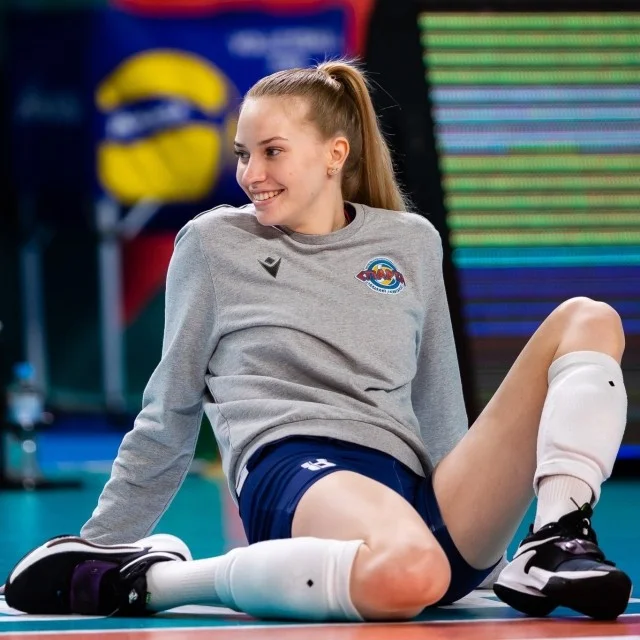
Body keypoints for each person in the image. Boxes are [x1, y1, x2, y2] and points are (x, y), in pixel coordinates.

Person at [4, 59, 632, 622]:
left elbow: (439, 405)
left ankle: (556, 539)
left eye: (272, 152)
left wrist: (474, 532)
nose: (252, 173)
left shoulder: (410, 241)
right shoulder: (214, 244)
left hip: (415, 491)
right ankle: (150, 581)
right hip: (294, 467)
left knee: (589, 318)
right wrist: (103, 541)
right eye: (243, 153)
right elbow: (170, 410)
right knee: (412, 570)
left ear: (335, 154)